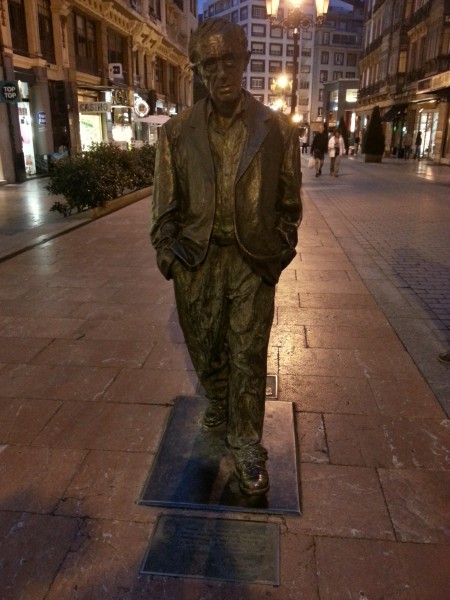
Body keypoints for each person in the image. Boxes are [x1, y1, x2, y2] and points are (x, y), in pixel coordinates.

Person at [150, 18, 302, 496]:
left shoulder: (277, 129)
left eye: (228, 61)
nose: (220, 73)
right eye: (209, 64)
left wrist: (276, 254)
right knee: (205, 350)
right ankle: (219, 399)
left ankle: (246, 445)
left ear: (245, 61)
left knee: (248, 355)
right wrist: (168, 256)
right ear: (197, 69)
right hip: (196, 261)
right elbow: (164, 209)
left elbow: (288, 204)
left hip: (252, 260)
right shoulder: (176, 132)